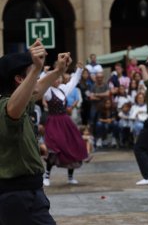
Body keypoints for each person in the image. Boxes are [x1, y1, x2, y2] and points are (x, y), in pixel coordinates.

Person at [0, 40, 70, 224]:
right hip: (18, 196)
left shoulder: (20, 100)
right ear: (19, 79)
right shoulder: (6, 105)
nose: (36, 77)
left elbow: (37, 90)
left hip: (25, 194)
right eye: (31, 73)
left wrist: (58, 71)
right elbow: (12, 109)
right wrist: (35, 69)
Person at [43, 60, 89, 187]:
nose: (58, 80)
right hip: (54, 122)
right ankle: (46, 175)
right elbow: (40, 85)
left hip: (65, 122)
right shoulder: (48, 92)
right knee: (55, 148)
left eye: (59, 78)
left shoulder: (63, 89)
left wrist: (79, 70)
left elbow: (73, 82)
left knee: (73, 145)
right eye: (55, 79)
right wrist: (44, 73)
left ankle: (70, 177)